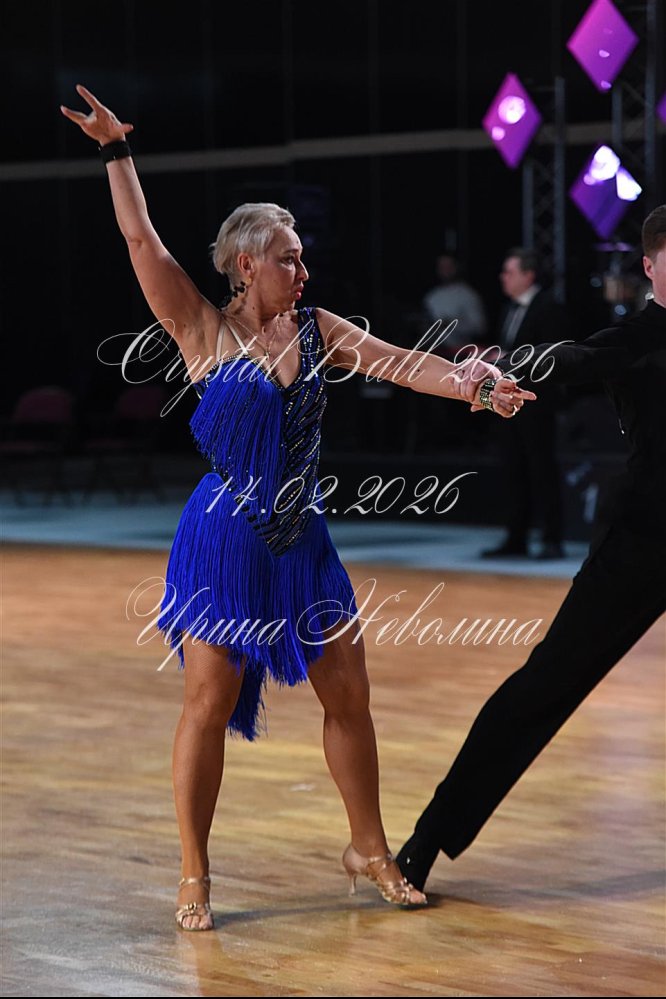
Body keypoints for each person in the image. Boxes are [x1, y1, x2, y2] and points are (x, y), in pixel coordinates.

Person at [60, 84, 535, 931]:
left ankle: (369, 847)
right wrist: (116, 152)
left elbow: (402, 363)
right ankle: (195, 870)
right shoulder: (201, 329)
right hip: (222, 540)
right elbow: (141, 239)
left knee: (348, 692)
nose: (302, 270)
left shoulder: (318, 329)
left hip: (303, 537)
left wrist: (473, 384)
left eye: (302, 257)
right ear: (246, 264)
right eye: (288, 257)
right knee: (208, 701)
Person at [395, 205, 666, 892]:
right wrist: (501, 365)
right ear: (649, 266)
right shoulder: (638, 338)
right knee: (547, 683)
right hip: (645, 540)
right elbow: (572, 357)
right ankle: (429, 837)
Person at [481, 248, 568, 560]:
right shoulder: (509, 308)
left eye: (510, 272)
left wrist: (505, 359)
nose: (503, 277)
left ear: (528, 275)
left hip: (536, 402)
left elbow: (551, 356)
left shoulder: (549, 307)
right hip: (506, 398)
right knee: (513, 468)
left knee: (542, 468)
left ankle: (552, 538)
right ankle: (516, 537)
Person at [422, 254, 487, 360]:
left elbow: (480, 328)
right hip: (434, 353)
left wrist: (452, 324)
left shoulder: (468, 294)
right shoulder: (431, 297)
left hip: (462, 354)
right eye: (442, 267)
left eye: (449, 266)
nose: (445, 270)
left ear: (456, 267)